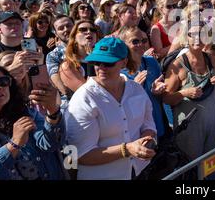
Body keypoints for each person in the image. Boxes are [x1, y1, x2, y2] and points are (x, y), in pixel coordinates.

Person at [65, 38, 157, 180]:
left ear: (124, 62)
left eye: (108, 63)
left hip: (139, 171)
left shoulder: (137, 90)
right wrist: (127, 149)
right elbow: (80, 155)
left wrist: (147, 140)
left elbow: (147, 124)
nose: (101, 68)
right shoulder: (83, 99)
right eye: (96, 62)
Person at [164, 21, 215, 165]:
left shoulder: (211, 58)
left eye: (202, 33)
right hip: (190, 130)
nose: (197, 38)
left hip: (213, 126)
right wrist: (184, 93)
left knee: (213, 168)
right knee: (192, 169)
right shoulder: (178, 64)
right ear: (186, 37)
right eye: (193, 34)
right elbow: (166, 98)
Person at [0, 66, 66, 180]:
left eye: (2, 81)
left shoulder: (24, 111)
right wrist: (13, 145)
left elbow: (50, 144)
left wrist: (52, 111)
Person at [119, 26, 168, 140]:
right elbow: (117, 106)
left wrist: (158, 91)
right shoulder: (118, 70)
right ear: (123, 44)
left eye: (144, 41)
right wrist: (133, 88)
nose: (141, 44)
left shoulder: (151, 62)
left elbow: (162, 95)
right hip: (135, 133)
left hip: (156, 124)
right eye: (135, 41)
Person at [58, 20, 99, 95]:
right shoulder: (68, 66)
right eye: (83, 29)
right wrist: (91, 59)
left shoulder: (104, 61)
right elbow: (88, 93)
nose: (89, 32)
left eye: (93, 30)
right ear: (74, 38)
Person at [46, 15, 74, 97]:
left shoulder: (90, 48)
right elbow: (58, 82)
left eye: (68, 26)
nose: (66, 29)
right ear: (56, 34)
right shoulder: (53, 56)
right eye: (61, 28)